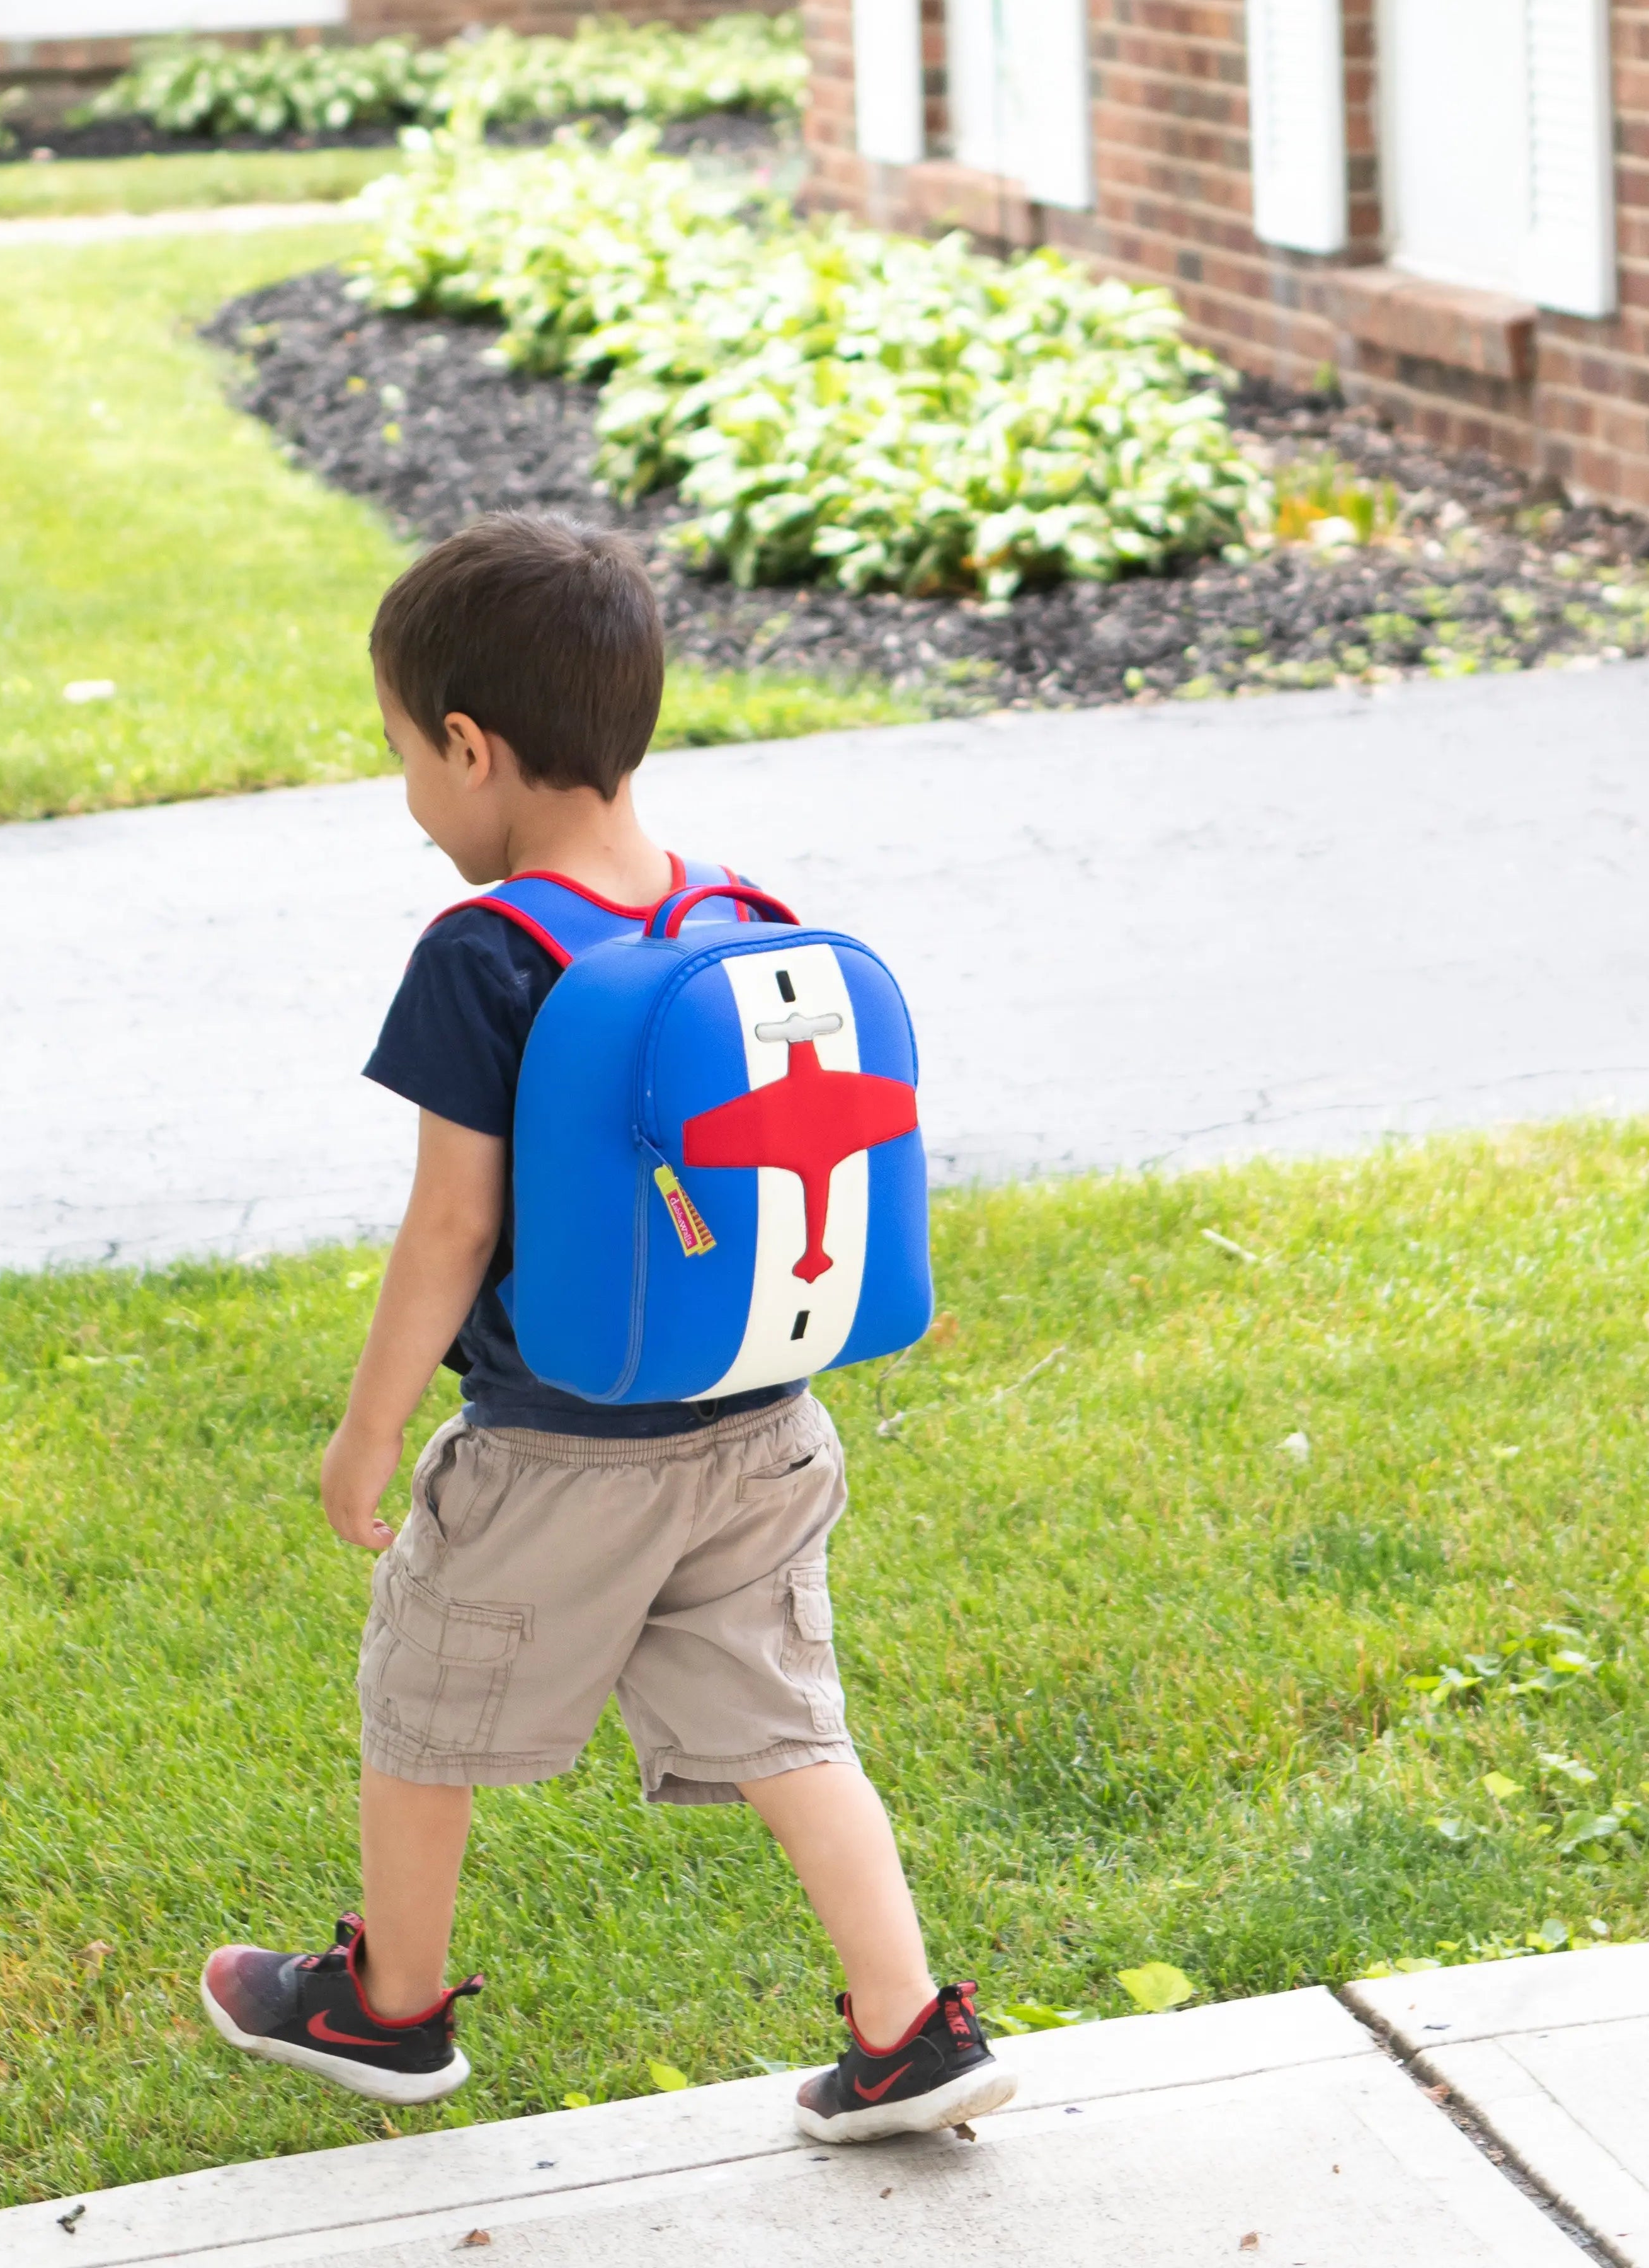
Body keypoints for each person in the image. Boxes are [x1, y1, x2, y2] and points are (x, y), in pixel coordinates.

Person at [201, 512, 1012, 2147]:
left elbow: (452, 1227)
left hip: (558, 1455)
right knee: (791, 1728)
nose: (411, 802)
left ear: (470, 747)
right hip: (768, 1432)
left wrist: (367, 1435)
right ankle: (909, 2025)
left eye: (404, 762)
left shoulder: (486, 959)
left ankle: (393, 2007)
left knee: (423, 1703)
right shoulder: (738, 911)